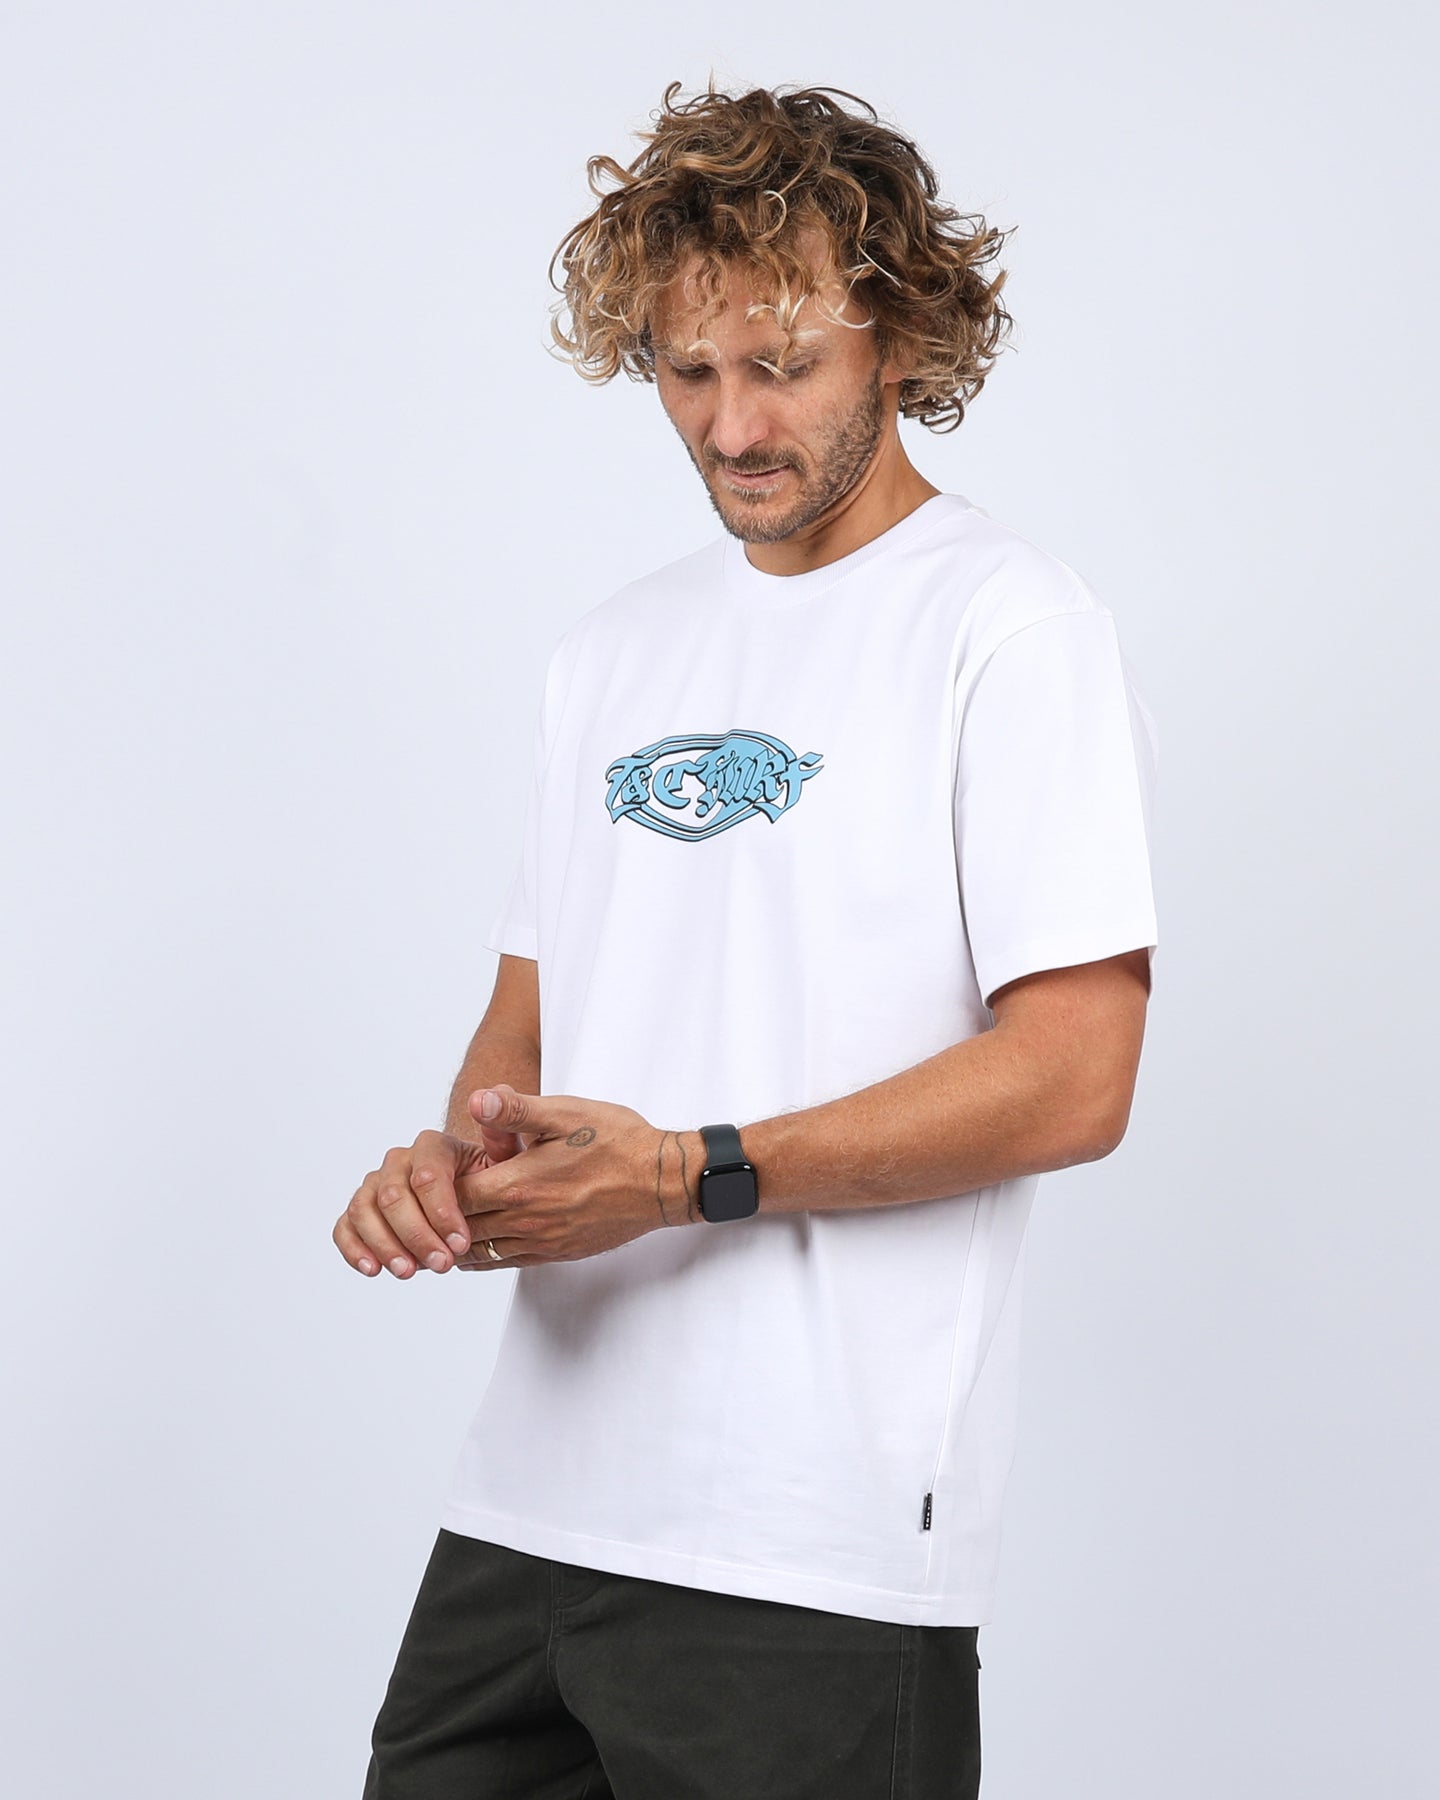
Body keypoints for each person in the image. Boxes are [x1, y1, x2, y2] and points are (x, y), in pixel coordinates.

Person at [337, 80, 1160, 1800]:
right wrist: (454, 1171)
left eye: (781, 365)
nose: (731, 427)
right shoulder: (608, 655)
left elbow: (1077, 1077)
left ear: (900, 334)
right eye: (687, 371)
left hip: (811, 1544)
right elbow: (528, 1036)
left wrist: (682, 1175)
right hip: (526, 1514)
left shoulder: (1008, 627)